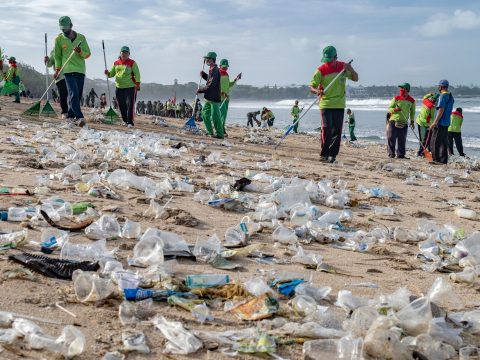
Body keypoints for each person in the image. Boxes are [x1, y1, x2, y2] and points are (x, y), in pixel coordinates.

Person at [309, 45, 358, 163]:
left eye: (330, 60)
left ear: (336, 57)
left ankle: (333, 155)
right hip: (325, 103)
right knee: (326, 127)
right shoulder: (320, 70)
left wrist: (350, 68)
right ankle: (324, 153)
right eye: (326, 60)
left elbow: (356, 78)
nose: (328, 63)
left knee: (337, 131)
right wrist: (317, 91)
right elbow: (311, 86)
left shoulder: (343, 67)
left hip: (339, 104)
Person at [54, 16, 90, 127]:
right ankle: (79, 117)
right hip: (68, 70)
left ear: (71, 26)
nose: (64, 31)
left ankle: (70, 115)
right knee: (73, 93)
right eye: (62, 29)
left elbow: (87, 54)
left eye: (66, 28)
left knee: (77, 95)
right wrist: (57, 70)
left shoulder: (81, 38)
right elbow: (58, 56)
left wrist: (80, 51)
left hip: (80, 70)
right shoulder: (59, 39)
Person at [105, 46, 141, 127]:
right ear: (120, 53)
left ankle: (130, 122)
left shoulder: (132, 63)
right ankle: (125, 120)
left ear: (129, 54)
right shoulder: (116, 63)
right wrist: (107, 73)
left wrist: (138, 83)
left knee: (130, 104)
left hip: (130, 87)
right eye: (123, 52)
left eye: (126, 53)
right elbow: (111, 74)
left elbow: (137, 73)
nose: (124, 54)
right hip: (119, 87)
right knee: (121, 105)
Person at [386, 83, 415, 159]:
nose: (401, 90)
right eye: (401, 88)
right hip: (393, 120)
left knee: (402, 139)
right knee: (391, 137)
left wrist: (412, 121)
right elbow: (389, 109)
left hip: (404, 121)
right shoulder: (396, 98)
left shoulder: (412, 101)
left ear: (407, 90)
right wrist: (395, 109)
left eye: (403, 88)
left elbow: (412, 112)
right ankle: (391, 154)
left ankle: (401, 155)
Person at [198, 51, 223, 138]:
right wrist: (204, 75)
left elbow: (210, 85)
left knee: (215, 116)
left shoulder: (215, 70)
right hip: (208, 97)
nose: (206, 61)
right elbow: (209, 80)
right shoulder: (211, 69)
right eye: (205, 59)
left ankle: (220, 134)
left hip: (214, 97)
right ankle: (210, 132)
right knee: (204, 114)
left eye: (207, 59)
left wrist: (200, 90)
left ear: (212, 60)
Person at [430, 79, 454, 164]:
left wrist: (435, 122)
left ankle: (436, 159)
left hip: (440, 122)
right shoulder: (451, 96)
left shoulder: (443, 96)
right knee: (443, 141)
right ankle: (443, 160)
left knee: (435, 141)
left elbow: (441, 109)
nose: (438, 87)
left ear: (441, 86)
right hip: (446, 122)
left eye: (438, 86)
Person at [219, 58, 241, 136]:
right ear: (220, 65)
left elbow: (229, 85)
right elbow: (216, 86)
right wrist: (222, 93)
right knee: (221, 115)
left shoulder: (226, 74)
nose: (225, 68)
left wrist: (236, 79)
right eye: (223, 66)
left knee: (224, 116)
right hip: (220, 98)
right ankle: (220, 130)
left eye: (226, 67)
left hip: (226, 98)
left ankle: (222, 128)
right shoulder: (218, 73)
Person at [45, 49, 69, 117]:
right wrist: (47, 60)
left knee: (72, 95)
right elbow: (49, 64)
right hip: (60, 77)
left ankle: (73, 112)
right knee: (63, 95)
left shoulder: (68, 47)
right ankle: (65, 112)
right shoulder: (53, 52)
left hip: (70, 75)